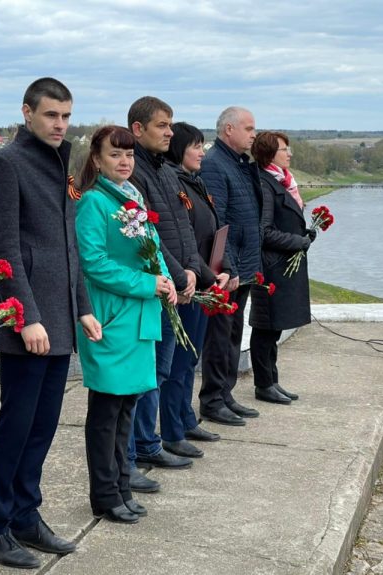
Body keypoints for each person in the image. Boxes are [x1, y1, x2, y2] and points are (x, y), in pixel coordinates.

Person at [0, 77, 102, 569]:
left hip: (59, 321)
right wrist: (26, 318)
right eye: (51, 115)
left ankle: (27, 515)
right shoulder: (6, 165)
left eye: (67, 116)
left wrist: (83, 307)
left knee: (44, 426)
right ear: (27, 113)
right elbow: (3, 248)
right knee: (16, 426)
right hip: (28, 325)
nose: (60, 124)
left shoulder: (59, 163)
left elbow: (67, 248)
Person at [76, 125, 177, 524]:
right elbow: (94, 263)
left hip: (139, 318)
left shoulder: (133, 197)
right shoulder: (93, 203)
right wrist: (148, 284)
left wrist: (166, 280)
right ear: (97, 160)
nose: (124, 162)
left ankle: (121, 484)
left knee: (127, 408)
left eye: (129, 155)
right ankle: (104, 493)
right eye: (115, 155)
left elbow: (151, 249)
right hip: (112, 317)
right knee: (106, 410)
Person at [126, 96, 200, 490]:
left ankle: (149, 442)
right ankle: (137, 448)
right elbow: (148, 236)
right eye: (162, 126)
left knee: (160, 370)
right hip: (154, 288)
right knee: (144, 375)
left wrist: (194, 273)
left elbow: (182, 229)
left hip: (173, 285)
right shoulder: (134, 171)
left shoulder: (166, 171)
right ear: (139, 129)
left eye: (171, 126)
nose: (170, 132)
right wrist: (177, 275)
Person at [159, 122, 227, 458]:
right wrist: (195, 275)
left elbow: (209, 230)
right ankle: (171, 429)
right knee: (179, 361)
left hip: (202, 280)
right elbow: (181, 237)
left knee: (191, 358)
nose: (202, 152)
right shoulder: (174, 182)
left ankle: (186, 418)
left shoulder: (194, 182)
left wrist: (221, 269)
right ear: (178, 150)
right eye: (196, 146)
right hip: (187, 283)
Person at [199, 106, 264, 425]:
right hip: (229, 271)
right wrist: (231, 268)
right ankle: (211, 400)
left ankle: (225, 394)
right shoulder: (214, 165)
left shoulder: (238, 164)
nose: (254, 134)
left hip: (245, 266)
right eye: (249, 128)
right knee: (219, 337)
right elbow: (219, 221)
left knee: (234, 334)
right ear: (228, 130)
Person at [248, 131, 312, 404]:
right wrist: (298, 241)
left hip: (283, 265)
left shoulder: (282, 181)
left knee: (273, 329)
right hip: (271, 268)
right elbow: (263, 232)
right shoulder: (265, 184)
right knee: (266, 328)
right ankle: (264, 385)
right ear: (269, 153)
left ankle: (272, 380)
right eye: (284, 149)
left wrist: (306, 233)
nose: (289, 154)